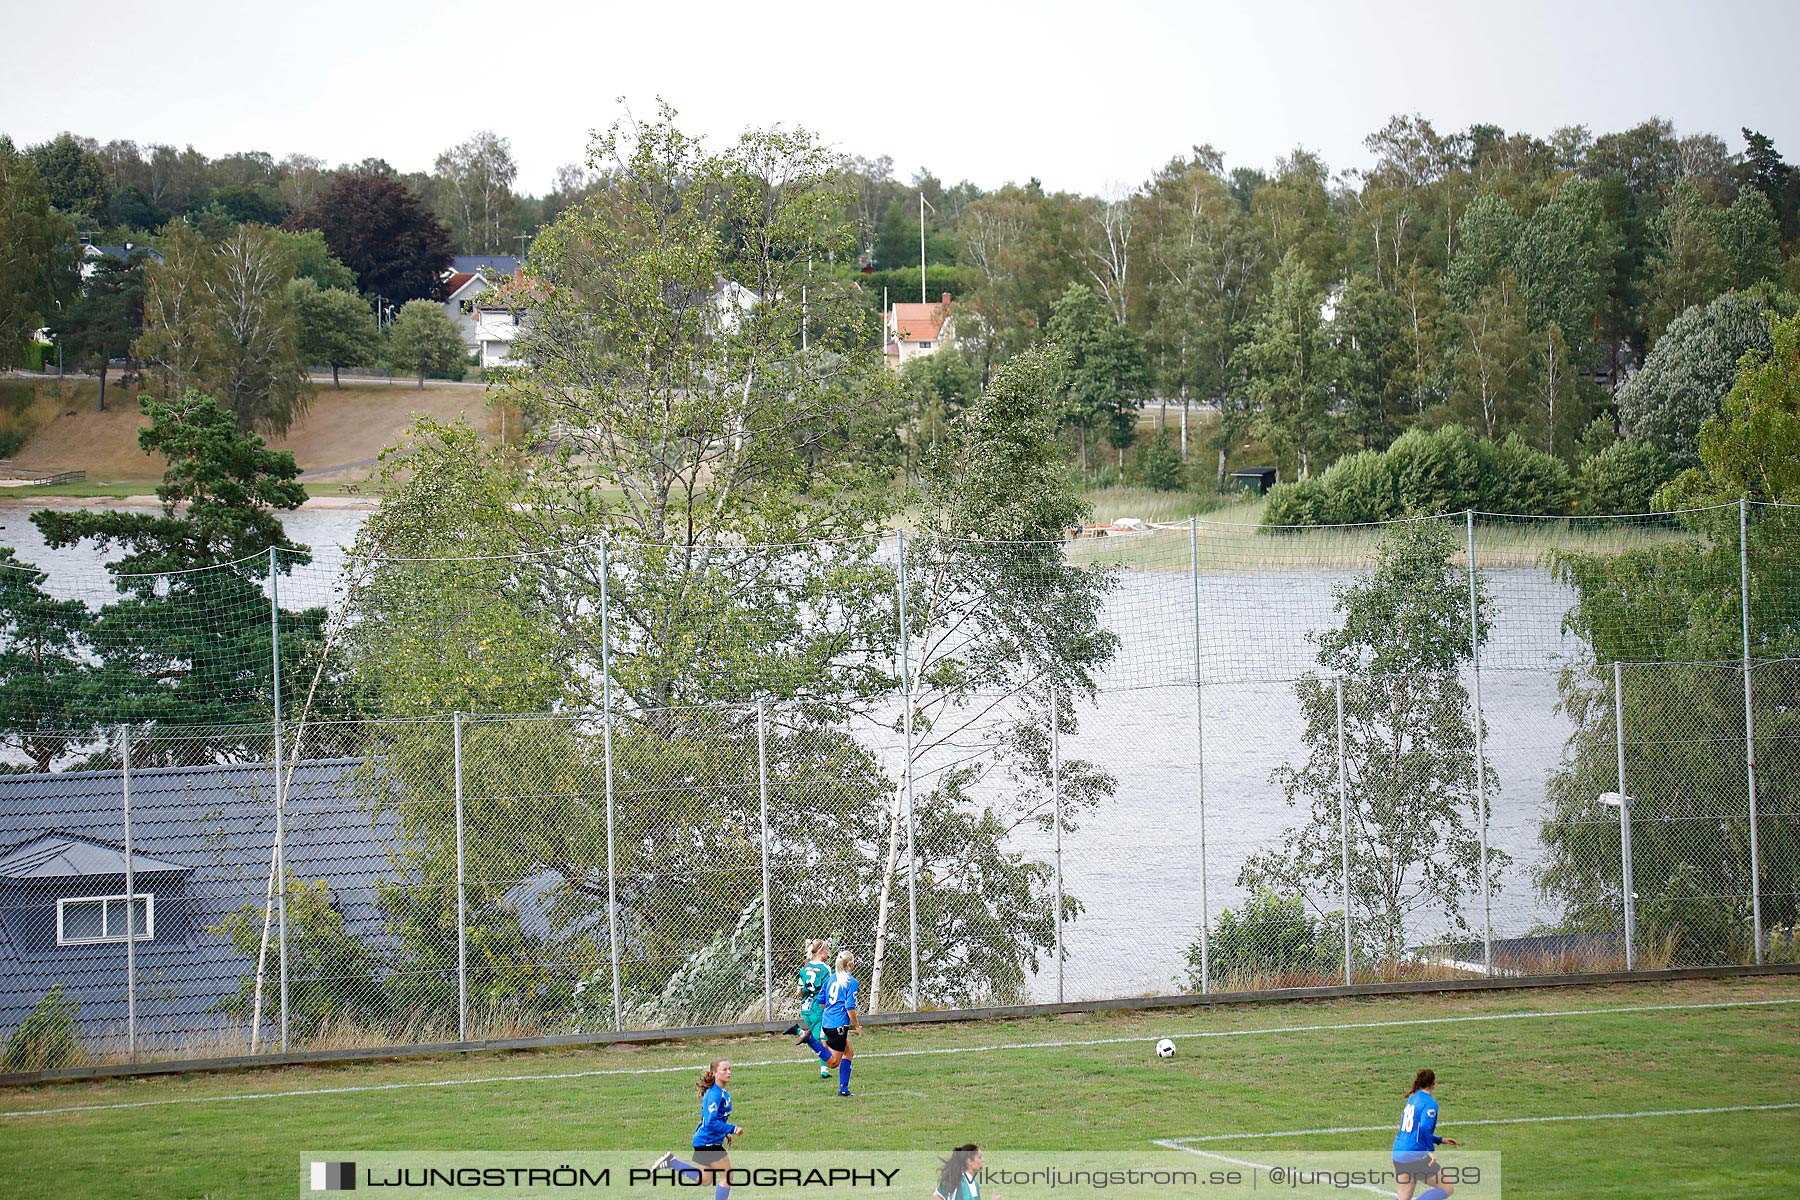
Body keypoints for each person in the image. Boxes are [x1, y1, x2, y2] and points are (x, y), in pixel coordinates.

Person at [654, 1060, 743, 1200]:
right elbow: (710, 1122)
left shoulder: (722, 1092)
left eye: (729, 1069)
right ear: (714, 1073)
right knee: (728, 1177)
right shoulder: (714, 1094)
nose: (729, 1072)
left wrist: (725, 1132)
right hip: (708, 1142)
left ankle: (672, 1162)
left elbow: (716, 1117)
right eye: (724, 1070)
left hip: (708, 1141)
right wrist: (732, 1129)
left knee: (705, 1180)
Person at [1391, 1068, 1457, 1200]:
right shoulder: (1430, 1104)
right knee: (1447, 1188)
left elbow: (1413, 1130)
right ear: (1434, 1082)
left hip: (1398, 1152)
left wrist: (1439, 1139)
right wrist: (1430, 1150)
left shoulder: (1413, 1098)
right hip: (1414, 1154)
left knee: (1403, 1198)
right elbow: (1423, 1129)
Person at [785, 939, 833, 1079]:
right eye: (826, 949)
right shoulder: (825, 969)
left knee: (817, 1038)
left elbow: (799, 992)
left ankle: (798, 1031)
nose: (828, 952)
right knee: (821, 1040)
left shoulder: (804, 969)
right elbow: (828, 990)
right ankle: (824, 1071)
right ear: (821, 951)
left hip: (806, 1007)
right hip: (818, 1008)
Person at [819, 948, 862, 1097]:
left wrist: (832, 1012)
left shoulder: (831, 978)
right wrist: (856, 1025)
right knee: (833, 1063)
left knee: (848, 1052)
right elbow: (850, 1007)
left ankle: (844, 1089)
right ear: (849, 965)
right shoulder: (851, 981)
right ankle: (809, 1040)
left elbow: (821, 1002)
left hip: (826, 1022)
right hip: (838, 1026)